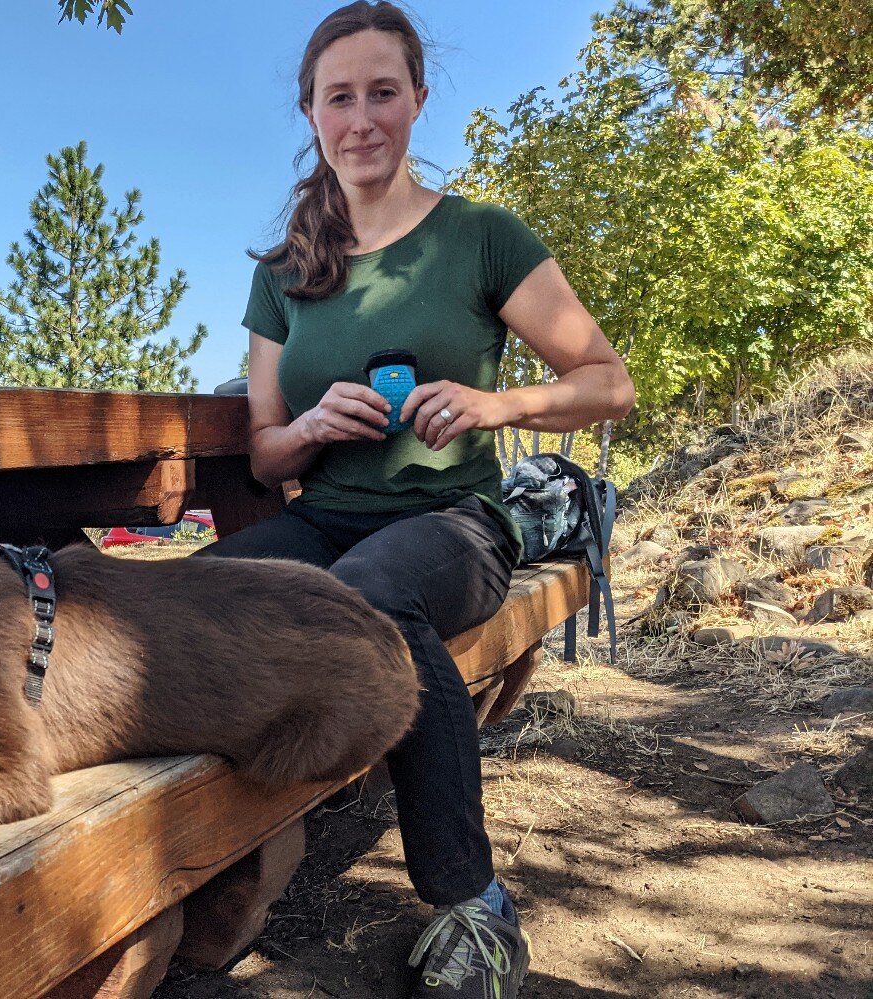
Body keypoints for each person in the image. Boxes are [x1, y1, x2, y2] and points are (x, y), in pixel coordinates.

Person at [194, 2, 635, 996]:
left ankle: (473, 904)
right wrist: (309, 430)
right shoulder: (282, 276)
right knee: (181, 603)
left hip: (455, 524)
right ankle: (202, 849)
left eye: (382, 93)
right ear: (310, 113)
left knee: (368, 598)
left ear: (418, 101)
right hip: (320, 515)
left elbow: (609, 382)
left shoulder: (480, 237)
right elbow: (265, 457)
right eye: (339, 97)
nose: (362, 118)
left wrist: (495, 399)